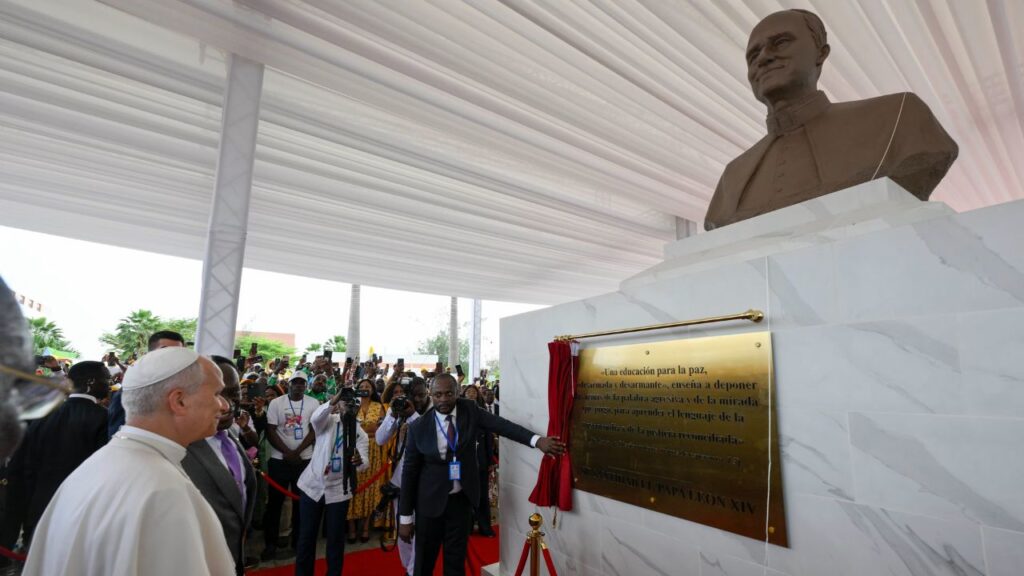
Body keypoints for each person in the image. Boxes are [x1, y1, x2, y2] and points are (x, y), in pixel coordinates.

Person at [703, 9, 958, 230]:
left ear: (820, 53)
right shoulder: (732, 177)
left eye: (780, 43)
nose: (764, 57)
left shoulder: (900, 117)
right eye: (753, 55)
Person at [23, 347, 235, 576]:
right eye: (216, 393)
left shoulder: (98, 464)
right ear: (179, 401)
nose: (224, 405)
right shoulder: (163, 491)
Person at [398, 374, 566, 576]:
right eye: (438, 395)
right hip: (428, 505)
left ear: (457, 392)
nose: (443, 399)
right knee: (424, 564)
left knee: (455, 563)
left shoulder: (469, 410)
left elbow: (503, 426)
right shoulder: (418, 427)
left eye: (449, 394)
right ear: (430, 395)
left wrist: (537, 441)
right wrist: (405, 518)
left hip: (461, 502)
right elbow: (409, 474)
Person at [14, 361, 110, 547]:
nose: (109, 383)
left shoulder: (42, 414)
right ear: (91, 381)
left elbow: (23, 465)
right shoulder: (102, 418)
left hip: (38, 509)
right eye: (106, 378)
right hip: (77, 513)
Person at [181, 355, 257, 576]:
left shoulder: (231, 435)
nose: (227, 404)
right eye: (217, 394)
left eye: (235, 394)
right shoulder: (179, 447)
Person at [294, 388, 369, 576]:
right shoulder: (328, 422)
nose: (349, 408)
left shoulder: (361, 434)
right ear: (339, 406)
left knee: (335, 540)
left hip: (339, 491)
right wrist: (335, 399)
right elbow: (315, 418)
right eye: (345, 404)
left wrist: (360, 461)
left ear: (358, 409)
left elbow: (364, 462)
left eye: (353, 405)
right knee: (306, 538)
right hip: (313, 487)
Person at [376, 376, 430, 576]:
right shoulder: (397, 413)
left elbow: (429, 438)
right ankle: (408, 568)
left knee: (419, 533)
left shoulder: (432, 412)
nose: (406, 399)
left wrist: (413, 416)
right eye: (397, 394)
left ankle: (413, 570)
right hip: (401, 482)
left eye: (419, 396)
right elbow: (381, 439)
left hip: (425, 483)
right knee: (403, 530)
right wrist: (393, 415)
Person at [261, 373, 318, 561]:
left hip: (304, 460)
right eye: (295, 382)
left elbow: (314, 430)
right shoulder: (277, 403)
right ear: (289, 384)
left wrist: (298, 452)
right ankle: (270, 544)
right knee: (275, 505)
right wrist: (287, 452)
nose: (299, 386)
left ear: (305, 386)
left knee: (301, 505)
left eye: (302, 383)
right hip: (279, 459)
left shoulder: (313, 403)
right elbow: (270, 430)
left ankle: (298, 543)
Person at [107, 330, 185, 437]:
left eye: (178, 352)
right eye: (165, 351)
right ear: (150, 354)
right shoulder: (132, 390)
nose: (172, 356)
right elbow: (119, 436)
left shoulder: (186, 387)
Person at [347, 378, 386, 542]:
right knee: (352, 488)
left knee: (369, 488)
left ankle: (364, 527)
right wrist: (367, 429)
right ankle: (351, 528)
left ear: (373, 389)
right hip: (353, 450)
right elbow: (347, 428)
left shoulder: (379, 407)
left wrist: (361, 429)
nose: (364, 388)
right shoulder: (352, 406)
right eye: (361, 386)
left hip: (373, 451)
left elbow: (379, 429)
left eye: (367, 386)